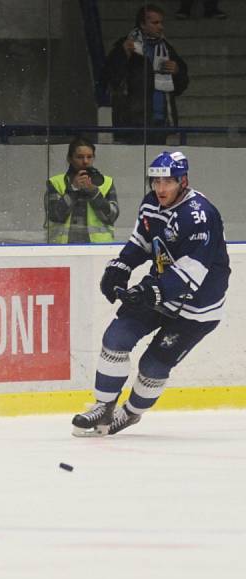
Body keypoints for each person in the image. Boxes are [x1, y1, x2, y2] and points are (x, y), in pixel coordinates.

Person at [72, 151, 229, 436]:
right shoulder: (151, 203)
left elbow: (191, 272)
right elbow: (141, 241)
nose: (160, 189)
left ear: (183, 181)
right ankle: (103, 407)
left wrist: (152, 290)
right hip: (159, 291)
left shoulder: (200, 215)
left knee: (153, 365)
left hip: (197, 307)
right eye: (155, 181)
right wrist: (120, 267)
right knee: (116, 338)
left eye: (167, 182)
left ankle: (130, 413)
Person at [103, 4, 189, 145]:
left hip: (160, 120)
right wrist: (124, 54)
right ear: (143, 24)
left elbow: (181, 86)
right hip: (132, 121)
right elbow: (111, 78)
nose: (160, 27)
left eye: (161, 22)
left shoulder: (166, 48)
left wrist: (177, 71)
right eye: (155, 23)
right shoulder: (126, 46)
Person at [44, 137, 119, 244]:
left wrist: (94, 192)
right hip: (62, 249)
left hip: (99, 249)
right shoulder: (56, 182)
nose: (85, 161)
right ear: (70, 159)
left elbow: (112, 216)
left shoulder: (106, 182)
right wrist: (73, 189)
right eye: (80, 157)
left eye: (89, 157)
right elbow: (55, 216)